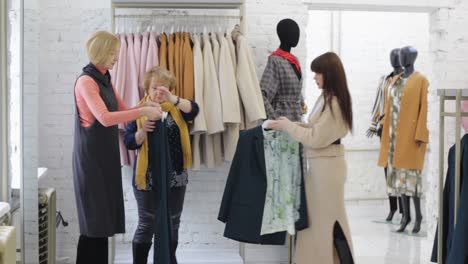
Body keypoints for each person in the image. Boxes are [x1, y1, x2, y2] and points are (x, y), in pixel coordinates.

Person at [72, 31, 162, 264]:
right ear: (101, 51)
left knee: (101, 223)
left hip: (105, 158)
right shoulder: (86, 81)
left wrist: (147, 104)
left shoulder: (106, 78)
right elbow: (104, 117)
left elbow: (123, 111)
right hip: (90, 161)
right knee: (93, 223)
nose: (117, 58)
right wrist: (143, 111)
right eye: (113, 53)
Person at [267, 52, 354, 263]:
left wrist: (289, 126)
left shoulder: (334, 103)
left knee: (325, 223)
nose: (314, 77)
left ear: (329, 74)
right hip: (321, 168)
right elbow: (315, 129)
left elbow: (315, 138)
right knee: (318, 224)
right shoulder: (327, 98)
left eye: (318, 73)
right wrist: (290, 124)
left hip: (327, 170)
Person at [124, 66, 199, 264]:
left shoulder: (178, 110)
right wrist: (142, 133)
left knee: (173, 222)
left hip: (175, 175)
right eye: (155, 87)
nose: (159, 91)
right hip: (146, 177)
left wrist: (173, 99)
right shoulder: (137, 111)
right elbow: (129, 142)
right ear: (147, 89)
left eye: (164, 88)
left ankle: (168, 260)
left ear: (170, 90)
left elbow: (195, 110)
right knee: (147, 223)